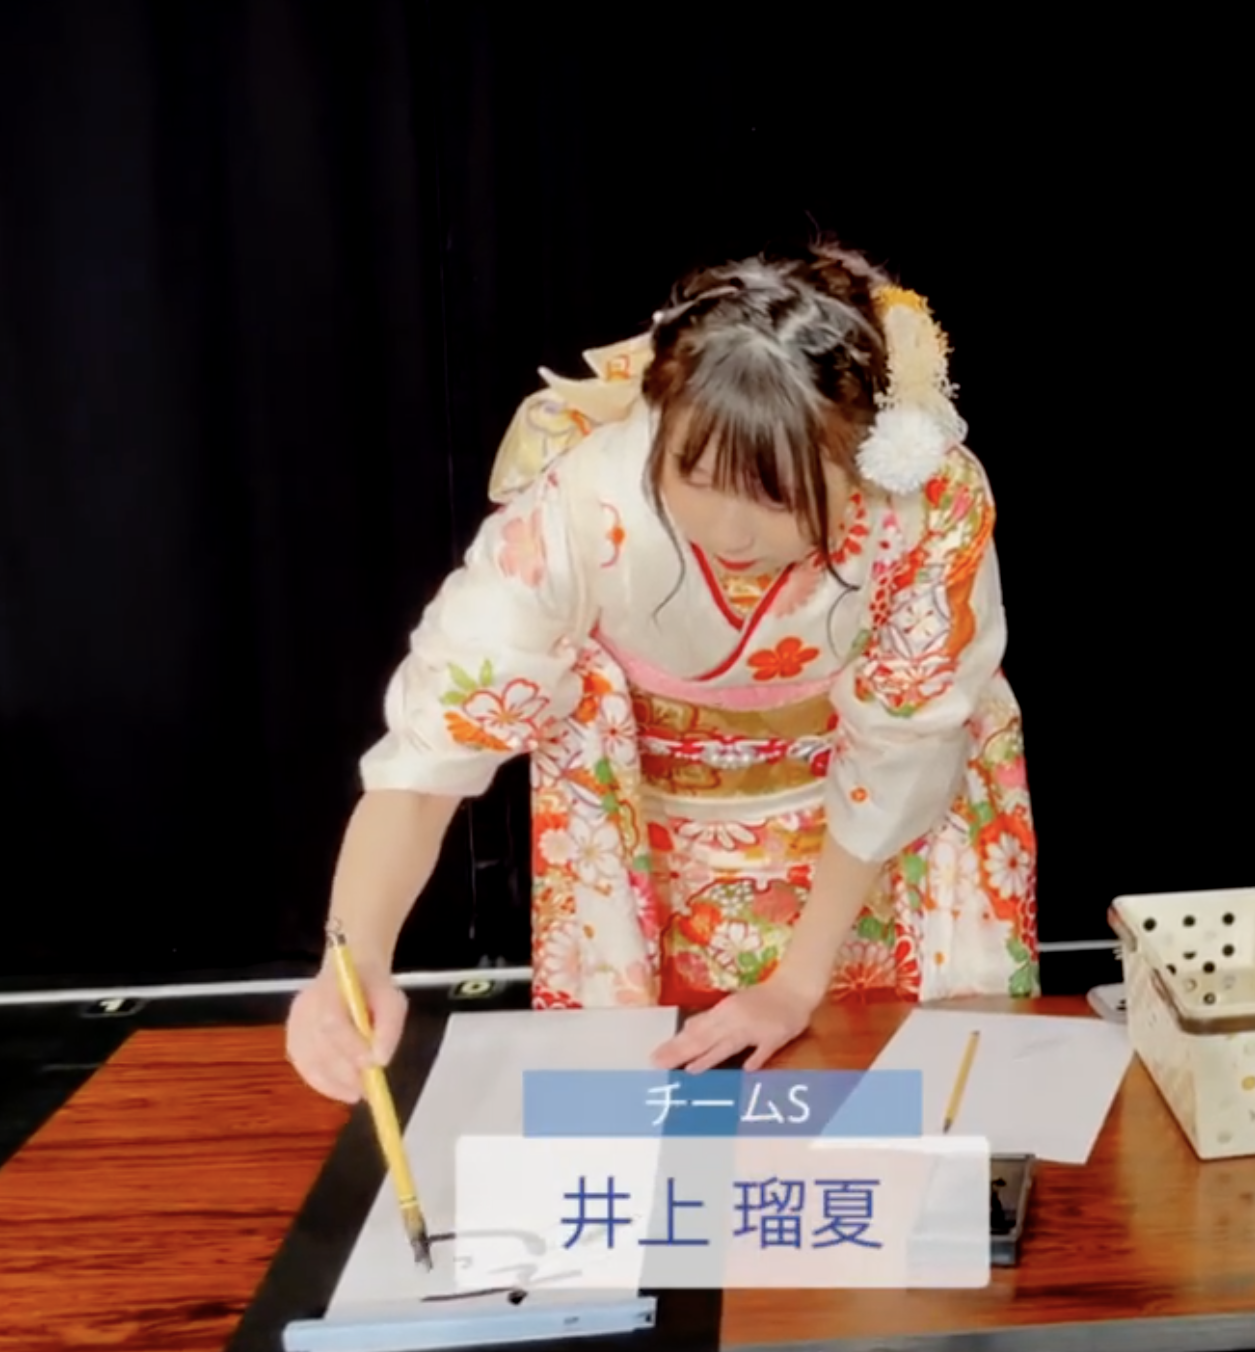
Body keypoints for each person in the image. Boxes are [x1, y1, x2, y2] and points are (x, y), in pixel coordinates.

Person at [284, 242, 1037, 1100]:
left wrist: (796, 983)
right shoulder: (585, 501)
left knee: (885, 1102)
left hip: (883, 829)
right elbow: (434, 748)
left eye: (776, 495)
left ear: (865, 453)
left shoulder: (927, 500)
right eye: (696, 476)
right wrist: (354, 957)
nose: (731, 531)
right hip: (654, 828)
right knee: (666, 1113)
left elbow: (906, 742)